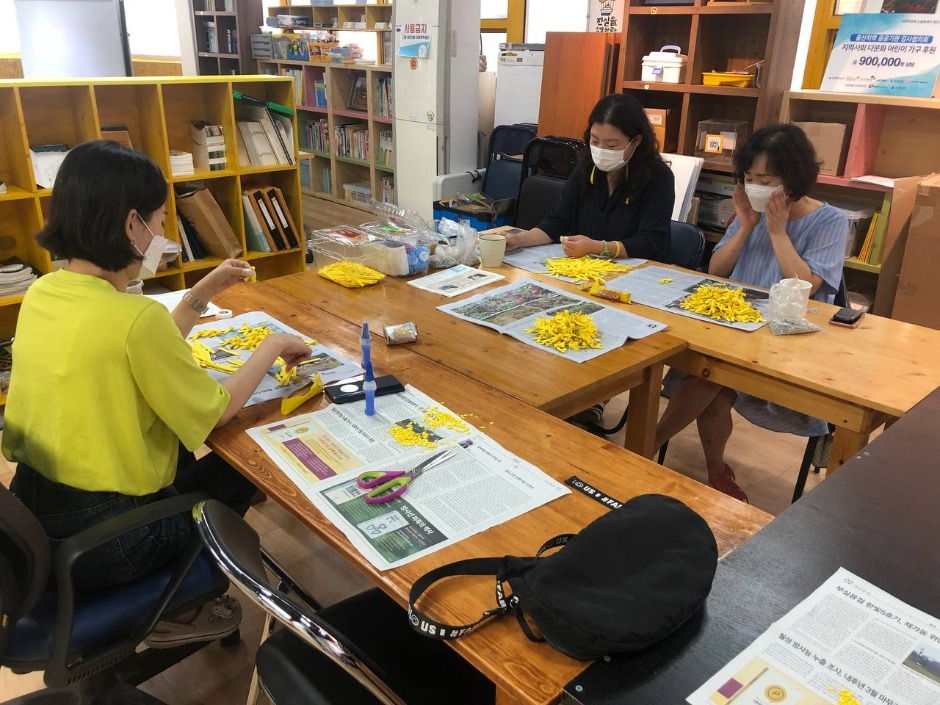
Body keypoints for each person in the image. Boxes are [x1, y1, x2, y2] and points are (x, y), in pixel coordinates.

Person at [2, 140, 311, 646]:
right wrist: (273, 344)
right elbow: (218, 412)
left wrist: (199, 296)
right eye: (161, 220)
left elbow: (132, 346)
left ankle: (181, 601)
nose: (163, 234)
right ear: (131, 226)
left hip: (40, 516)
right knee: (250, 464)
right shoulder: (135, 319)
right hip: (111, 541)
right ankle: (179, 610)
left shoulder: (42, 293)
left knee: (197, 464)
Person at [653, 124, 848, 502]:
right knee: (713, 380)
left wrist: (778, 232)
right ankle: (714, 473)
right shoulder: (751, 213)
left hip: (787, 336)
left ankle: (646, 446)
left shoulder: (830, 221)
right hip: (734, 329)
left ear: (793, 179)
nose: (756, 186)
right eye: (749, 177)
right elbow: (717, 271)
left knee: (710, 378)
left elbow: (806, 287)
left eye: (767, 179)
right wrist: (745, 227)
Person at [504, 92, 675, 263]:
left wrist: (597, 247)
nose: (601, 150)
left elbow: (650, 241)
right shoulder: (586, 169)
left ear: (636, 141)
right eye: (595, 141)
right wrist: (519, 240)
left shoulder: (658, 177)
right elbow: (557, 222)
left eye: (611, 145)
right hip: (590, 267)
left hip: (638, 270)